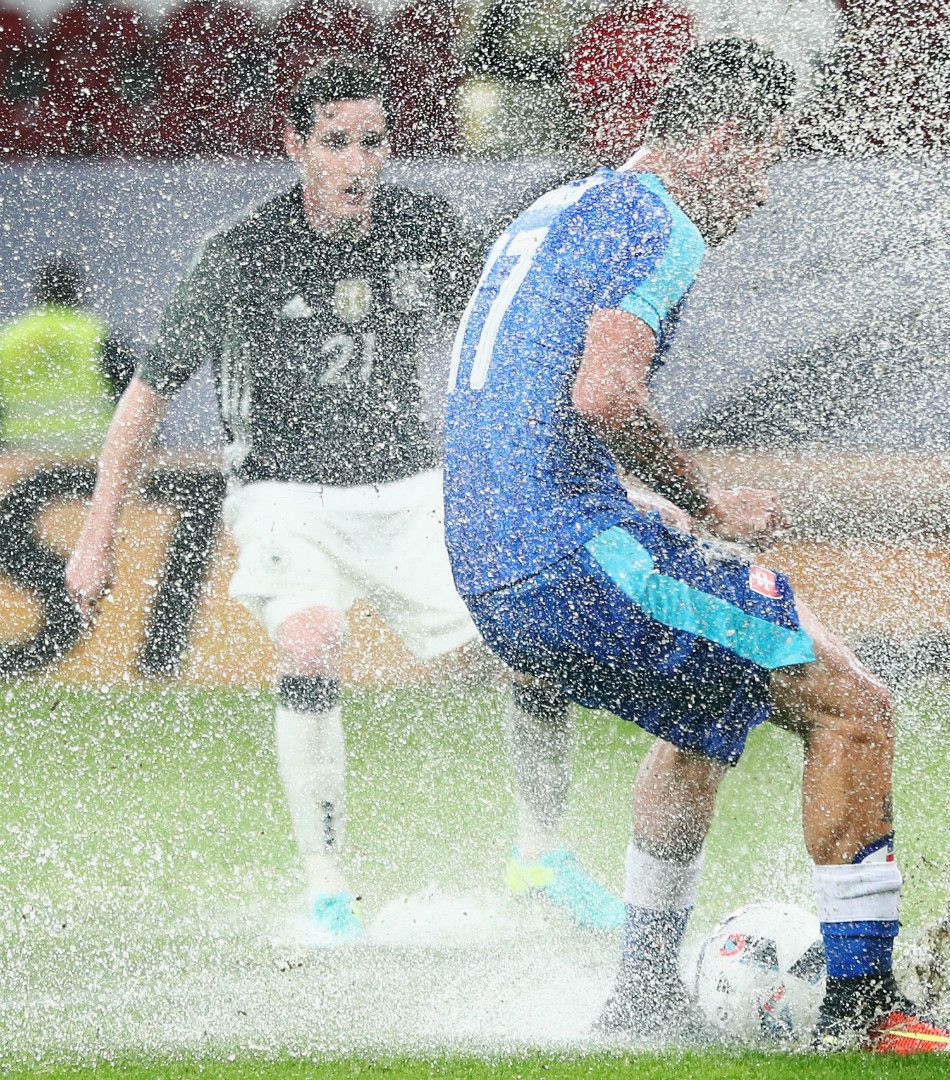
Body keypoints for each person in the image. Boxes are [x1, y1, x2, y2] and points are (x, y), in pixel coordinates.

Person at [441, 38, 950, 1054]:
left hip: (491, 559)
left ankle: (643, 995)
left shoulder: (558, 206)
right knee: (854, 707)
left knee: (706, 704)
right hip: (568, 551)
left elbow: (516, 399)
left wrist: (652, 509)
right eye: (767, 156)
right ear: (725, 138)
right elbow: (604, 393)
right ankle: (867, 1012)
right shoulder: (663, 222)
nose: (766, 191)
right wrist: (706, 502)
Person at [64, 56, 621, 944]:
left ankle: (541, 857)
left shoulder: (426, 228)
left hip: (412, 491)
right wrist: (98, 540)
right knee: (311, 640)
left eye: (373, 141)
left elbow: (505, 341)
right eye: (336, 143)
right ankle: (328, 886)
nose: (358, 163)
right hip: (286, 497)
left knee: (532, 645)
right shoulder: (240, 254)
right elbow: (146, 397)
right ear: (295, 146)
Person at [0, 257, 136, 454]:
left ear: (38, 293)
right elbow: (136, 397)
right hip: (91, 453)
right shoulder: (99, 334)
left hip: (21, 455)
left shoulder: (9, 338)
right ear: (78, 291)